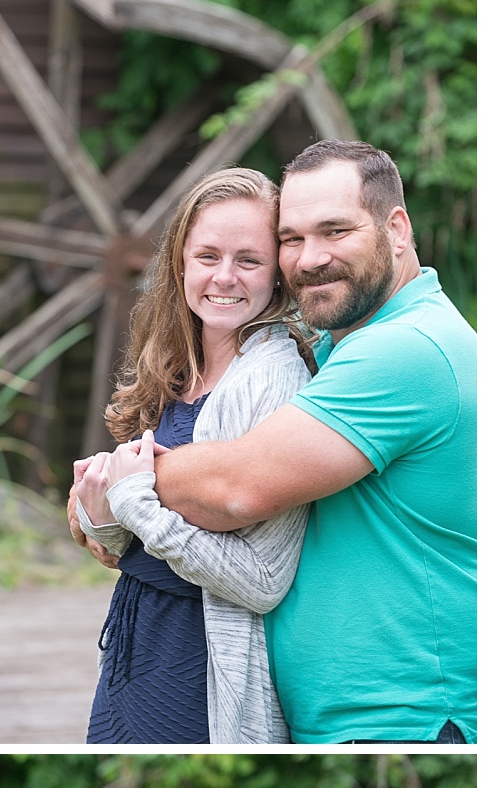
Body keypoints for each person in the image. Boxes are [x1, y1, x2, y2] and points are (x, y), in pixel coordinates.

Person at [105, 140, 475, 744]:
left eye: (335, 231)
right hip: (340, 720)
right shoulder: (339, 345)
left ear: (397, 229)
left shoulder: (408, 350)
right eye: (293, 238)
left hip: (407, 718)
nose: (310, 258)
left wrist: (114, 484)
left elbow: (237, 489)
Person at [69, 168, 314, 744]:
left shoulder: (275, 379)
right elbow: (128, 539)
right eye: (207, 255)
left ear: (278, 274)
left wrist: (133, 500)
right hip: (135, 644)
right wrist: (99, 510)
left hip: (201, 666)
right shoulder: (178, 370)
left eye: (249, 260)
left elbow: (263, 581)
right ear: (179, 262)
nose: (224, 277)